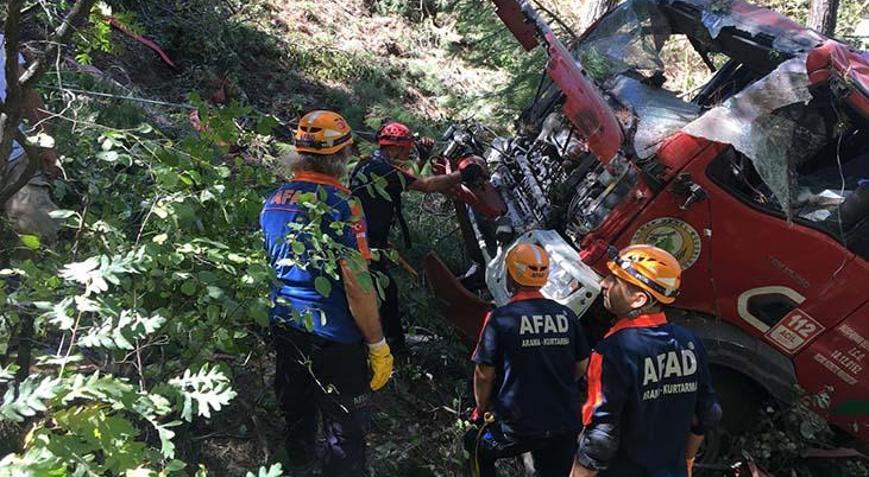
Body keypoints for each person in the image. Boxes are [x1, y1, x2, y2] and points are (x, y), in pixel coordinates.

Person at [260, 110, 393, 476]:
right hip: (335, 337)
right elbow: (357, 284)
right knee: (345, 431)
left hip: (286, 326)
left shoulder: (273, 200)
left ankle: (299, 466)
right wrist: (378, 343)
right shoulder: (344, 205)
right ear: (341, 156)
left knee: (297, 412)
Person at [572, 245, 722, 477]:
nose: (604, 284)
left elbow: (600, 439)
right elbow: (707, 413)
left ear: (639, 299)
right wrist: (688, 462)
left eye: (615, 280)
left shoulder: (612, 351)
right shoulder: (690, 342)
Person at [467, 243, 591, 477]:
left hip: (517, 426)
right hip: (563, 422)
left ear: (510, 276)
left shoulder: (500, 319)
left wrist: (480, 409)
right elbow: (582, 366)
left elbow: (484, 374)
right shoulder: (566, 315)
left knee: (476, 447)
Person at [348, 120, 463, 351]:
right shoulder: (381, 169)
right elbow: (426, 185)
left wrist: (421, 159)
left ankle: (382, 342)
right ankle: (391, 347)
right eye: (405, 150)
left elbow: (403, 180)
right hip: (366, 244)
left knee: (382, 292)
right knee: (385, 293)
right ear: (392, 148)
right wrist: (462, 175)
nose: (407, 154)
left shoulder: (371, 164)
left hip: (368, 240)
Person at [1, 33, 61, 243]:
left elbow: (27, 94)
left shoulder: (2, 46)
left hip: (14, 157)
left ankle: (39, 272)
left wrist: (47, 145)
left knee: (37, 223)